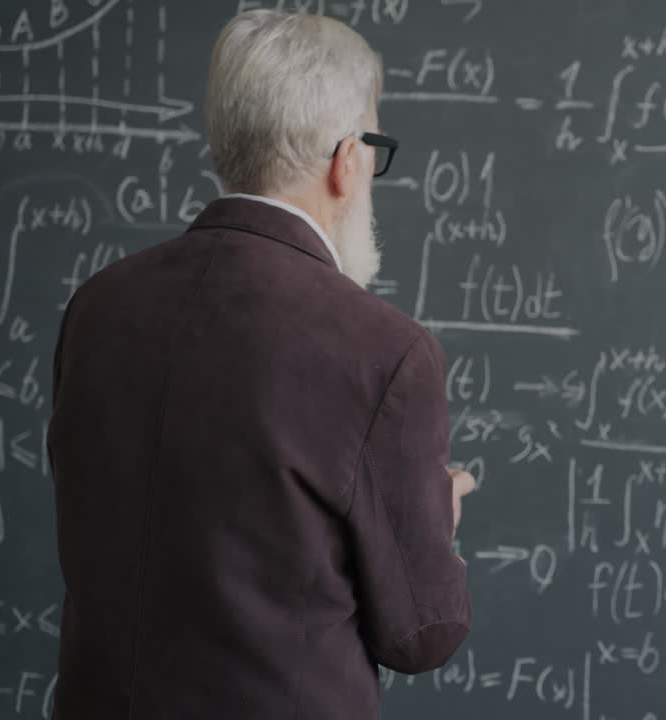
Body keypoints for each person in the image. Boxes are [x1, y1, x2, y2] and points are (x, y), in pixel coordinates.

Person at [45, 10, 474, 719]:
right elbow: (421, 638)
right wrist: (433, 520)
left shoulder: (98, 307)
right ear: (349, 159)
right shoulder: (385, 351)